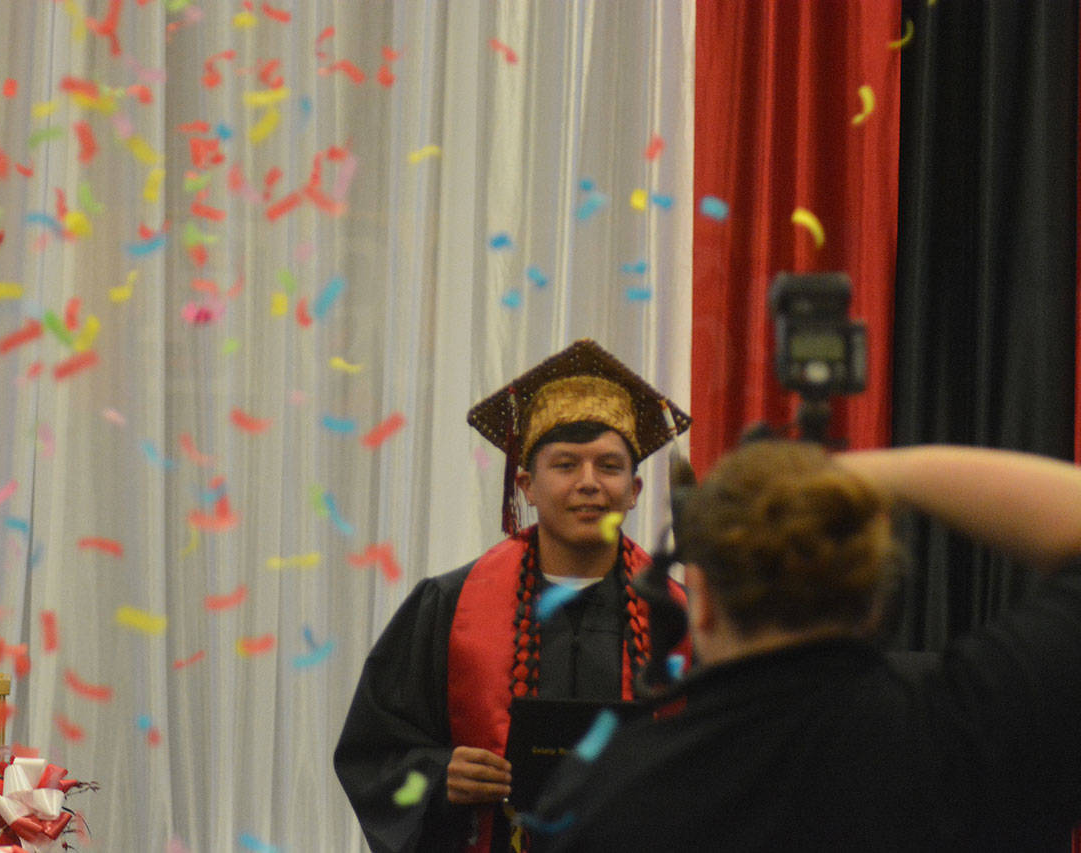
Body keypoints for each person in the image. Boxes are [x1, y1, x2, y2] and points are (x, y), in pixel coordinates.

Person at [533, 440, 1081, 851]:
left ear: (698, 601)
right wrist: (875, 472)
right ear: (876, 596)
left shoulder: (599, 796)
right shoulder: (973, 728)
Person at [334, 339, 694, 852]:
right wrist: (438, 778)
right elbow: (374, 760)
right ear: (526, 484)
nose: (589, 483)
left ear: (634, 490)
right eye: (566, 465)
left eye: (609, 467)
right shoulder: (448, 607)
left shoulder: (680, 619)